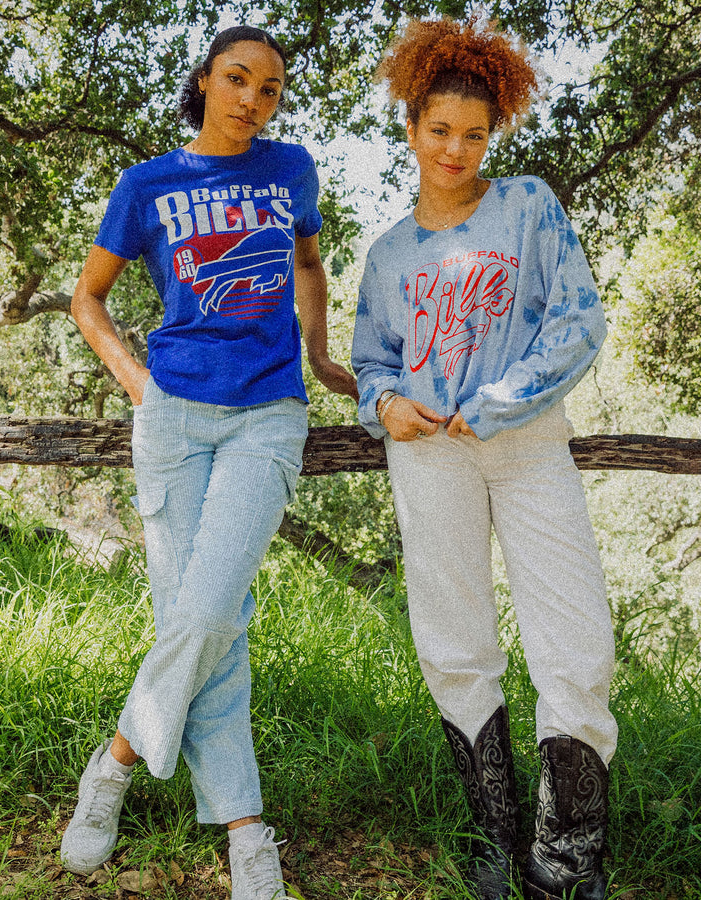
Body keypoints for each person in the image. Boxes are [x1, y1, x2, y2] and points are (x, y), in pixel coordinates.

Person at [60, 24, 357, 900]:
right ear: (205, 80)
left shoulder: (292, 170)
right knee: (208, 621)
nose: (252, 100)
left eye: (269, 89)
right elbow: (89, 297)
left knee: (209, 601)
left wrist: (318, 353)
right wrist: (138, 384)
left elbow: (309, 265)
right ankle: (244, 828)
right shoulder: (147, 183)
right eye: (238, 79)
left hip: (268, 413)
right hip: (175, 419)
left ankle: (114, 760)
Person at [351, 17, 616, 900]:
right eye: (439, 132)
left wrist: (499, 400)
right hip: (429, 460)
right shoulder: (388, 256)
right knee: (455, 641)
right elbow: (373, 360)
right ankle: (495, 843)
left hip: (530, 447)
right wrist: (387, 402)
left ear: (492, 133)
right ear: (411, 128)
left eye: (473, 134)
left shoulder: (530, 206)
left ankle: (569, 856)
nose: (455, 149)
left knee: (574, 638)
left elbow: (579, 323)